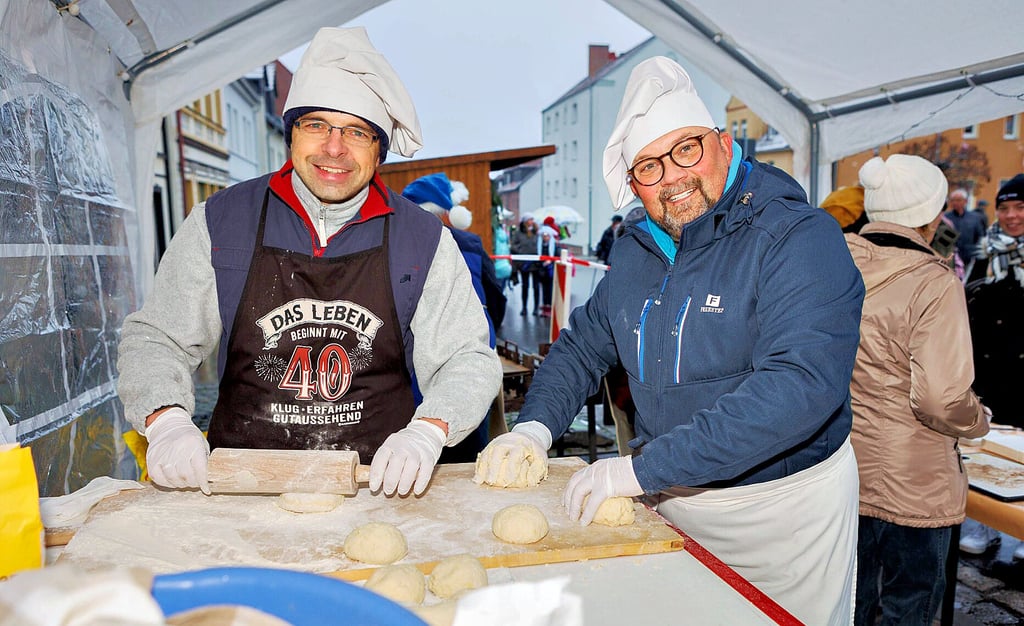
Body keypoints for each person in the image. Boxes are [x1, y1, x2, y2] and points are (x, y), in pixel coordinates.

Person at [476, 56, 865, 625]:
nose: (673, 176)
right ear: (633, 184)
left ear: (724, 145)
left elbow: (799, 388)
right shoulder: (636, 251)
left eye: (687, 149)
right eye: (648, 166)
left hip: (783, 515)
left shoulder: (797, 237)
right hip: (671, 499)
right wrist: (534, 429)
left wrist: (637, 470)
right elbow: (584, 346)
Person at [116, 27, 501, 498]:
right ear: (291, 135)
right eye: (316, 124)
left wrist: (430, 430)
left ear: (378, 150)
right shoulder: (222, 222)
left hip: (378, 487)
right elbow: (159, 338)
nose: (334, 148)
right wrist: (167, 420)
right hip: (240, 490)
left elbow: (467, 358)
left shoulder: (423, 239)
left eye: (357, 131)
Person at [844, 154, 990, 625]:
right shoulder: (933, 282)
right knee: (911, 606)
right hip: (914, 479)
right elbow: (940, 399)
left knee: (851, 601)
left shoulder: (835, 262)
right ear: (933, 214)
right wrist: (977, 420)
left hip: (842, 465)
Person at [402, 172, 506, 463]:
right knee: (466, 456)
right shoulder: (469, 244)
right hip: (467, 367)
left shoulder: (396, 245)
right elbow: (496, 298)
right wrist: (489, 334)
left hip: (411, 372)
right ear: (447, 212)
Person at [960, 174, 1024, 558]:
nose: (1012, 216)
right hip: (988, 369)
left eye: (1020, 207)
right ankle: (980, 525)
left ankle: (1019, 531)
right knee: (983, 448)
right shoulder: (985, 251)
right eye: (1005, 208)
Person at [944, 188, 986, 281]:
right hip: (950, 258)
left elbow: (980, 237)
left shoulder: (974, 218)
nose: (955, 203)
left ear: (965, 201)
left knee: (965, 281)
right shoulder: (946, 218)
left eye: (958, 200)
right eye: (953, 200)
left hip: (969, 257)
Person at [510, 214, 540, 315]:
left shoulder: (536, 232)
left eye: (532, 219)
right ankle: (524, 308)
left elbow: (539, 245)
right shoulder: (519, 233)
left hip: (536, 264)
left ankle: (536, 308)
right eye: (529, 219)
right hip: (524, 264)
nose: (531, 221)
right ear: (525, 221)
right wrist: (521, 252)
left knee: (536, 287)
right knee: (525, 286)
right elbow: (513, 246)